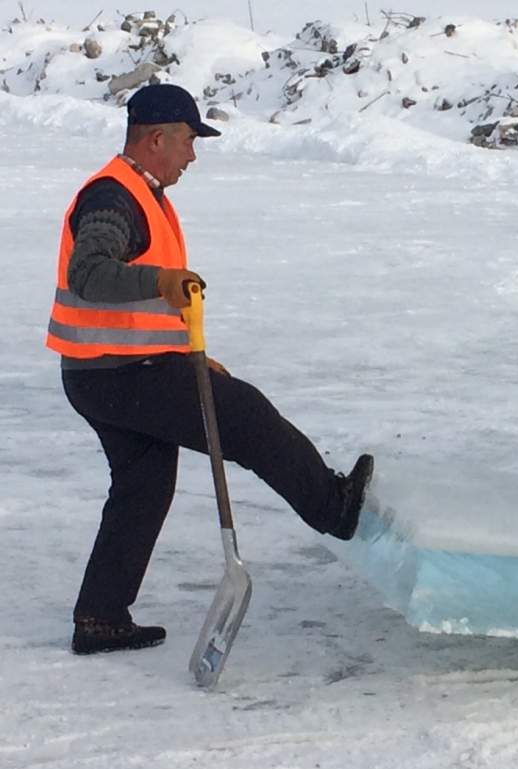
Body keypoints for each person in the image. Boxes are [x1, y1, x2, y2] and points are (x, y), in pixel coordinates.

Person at [49, 82, 374, 655]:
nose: (193, 155)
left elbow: (133, 299)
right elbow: (90, 272)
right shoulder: (114, 197)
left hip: (101, 372)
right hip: (123, 373)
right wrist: (160, 281)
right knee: (243, 416)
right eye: (189, 141)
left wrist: (182, 347)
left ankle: (100, 618)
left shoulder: (137, 192)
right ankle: (334, 507)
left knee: (144, 486)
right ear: (156, 139)